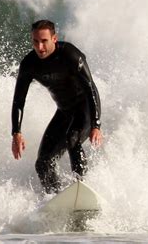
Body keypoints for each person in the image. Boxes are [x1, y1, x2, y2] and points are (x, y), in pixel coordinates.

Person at [11, 19, 102, 194]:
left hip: (85, 107)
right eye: (35, 41)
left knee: (72, 139)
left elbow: (90, 89)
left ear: (54, 39)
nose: (40, 47)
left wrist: (96, 125)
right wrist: (16, 132)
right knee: (43, 163)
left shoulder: (70, 55)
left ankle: (81, 186)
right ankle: (56, 196)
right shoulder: (29, 64)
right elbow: (18, 100)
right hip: (64, 111)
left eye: (44, 41)